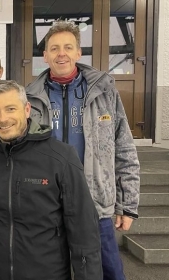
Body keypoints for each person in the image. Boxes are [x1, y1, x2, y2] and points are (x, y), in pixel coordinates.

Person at [25, 20, 140, 280]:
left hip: (96, 204)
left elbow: (123, 147)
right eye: (54, 48)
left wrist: (127, 204)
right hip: (47, 207)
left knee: (107, 274)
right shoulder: (29, 97)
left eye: (68, 47)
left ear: (79, 52)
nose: (61, 53)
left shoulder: (104, 91)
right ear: (45, 56)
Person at [0, 80, 102, 280]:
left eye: (10, 109)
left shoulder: (61, 157)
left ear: (26, 109)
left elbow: (83, 229)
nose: (3, 119)